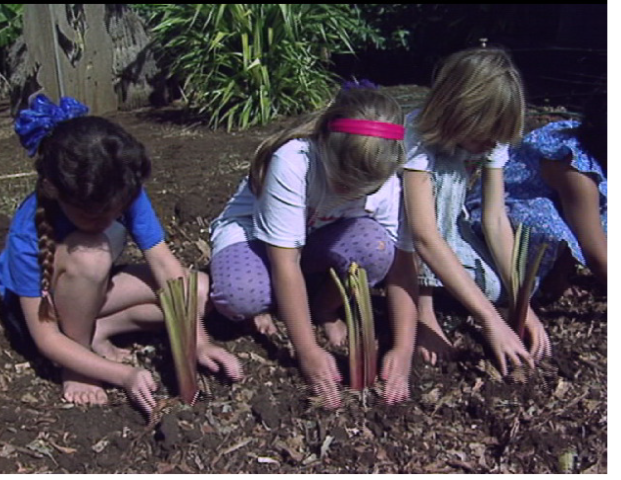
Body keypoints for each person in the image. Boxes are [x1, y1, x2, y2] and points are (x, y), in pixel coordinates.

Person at [0, 94, 242, 418]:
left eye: (117, 211)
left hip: (89, 289)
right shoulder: (27, 232)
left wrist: (198, 340)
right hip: (39, 314)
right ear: (56, 191)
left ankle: (96, 330)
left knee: (199, 291)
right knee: (92, 255)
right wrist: (123, 375)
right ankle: (79, 362)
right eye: (95, 216)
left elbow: (165, 264)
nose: (110, 220)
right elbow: (44, 336)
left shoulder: (120, 186)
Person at [209, 84, 419, 408]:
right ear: (324, 145)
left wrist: (404, 349)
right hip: (258, 242)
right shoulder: (294, 160)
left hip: (314, 241)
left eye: (360, 190)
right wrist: (307, 350)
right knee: (240, 297)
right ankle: (270, 304)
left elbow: (402, 267)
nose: (349, 193)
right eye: (343, 183)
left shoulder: (386, 179)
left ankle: (323, 306)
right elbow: (284, 262)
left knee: (377, 249)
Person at [401, 46, 552, 376]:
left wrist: (520, 302)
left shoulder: (491, 137)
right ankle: (422, 305)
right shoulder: (415, 133)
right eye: (485, 136)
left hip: (450, 224)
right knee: (447, 177)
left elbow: (495, 218)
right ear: (457, 114)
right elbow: (423, 234)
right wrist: (490, 319)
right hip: (405, 234)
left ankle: (452, 287)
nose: (491, 145)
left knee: (497, 288)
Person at [466, 92, 607, 296]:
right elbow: (595, 253)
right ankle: (533, 284)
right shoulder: (577, 171)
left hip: (559, 200)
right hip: (504, 210)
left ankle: (558, 271)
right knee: (549, 231)